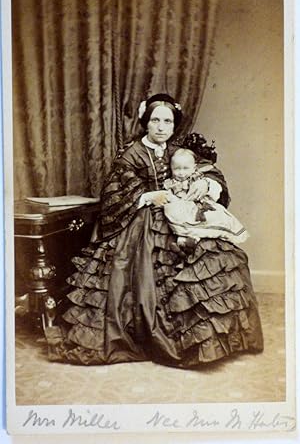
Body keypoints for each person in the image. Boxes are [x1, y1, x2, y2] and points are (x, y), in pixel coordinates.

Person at [45, 93, 263, 367]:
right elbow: (114, 192)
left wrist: (205, 184)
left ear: (174, 126)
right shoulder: (131, 153)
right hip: (141, 222)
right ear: (145, 122)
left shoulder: (178, 151)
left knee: (215, 255)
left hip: (181, 216)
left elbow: (209, 171)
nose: (161, 127)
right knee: (139, 272)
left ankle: (209, 337)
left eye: (168, 121)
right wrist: (148, 197)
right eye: (156, 120)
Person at [163, 147, 249, 249]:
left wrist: (205, 189)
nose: (181, 173)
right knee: (171, 210)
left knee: (212, 216)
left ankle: (194, 237)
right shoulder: (171, 183)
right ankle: (184, 237)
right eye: (177, 169)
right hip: (182, 206)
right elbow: (167, 194)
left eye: (186, 168)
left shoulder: (198, 179)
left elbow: (212, 192)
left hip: (197, 206)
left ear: (194, 168)